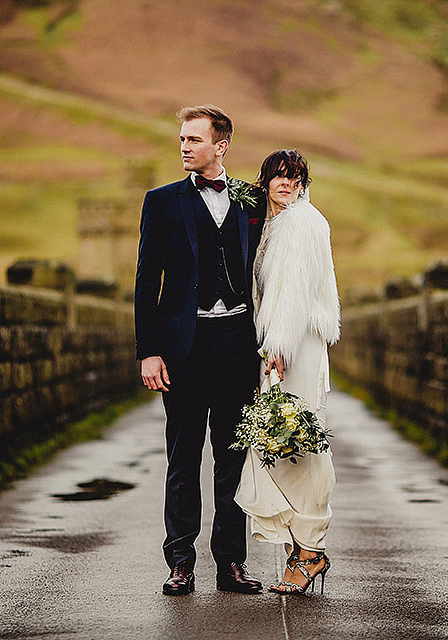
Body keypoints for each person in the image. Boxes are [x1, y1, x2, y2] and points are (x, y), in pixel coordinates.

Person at [134, 105, 265, 596]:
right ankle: (180, 563)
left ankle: (231, 563)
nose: (184, 146)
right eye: (182, 139)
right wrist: (150, 351)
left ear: (221, 145)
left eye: (194, 139)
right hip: (183, 349)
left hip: (237, 346)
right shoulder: (162, 201)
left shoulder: (252, 201)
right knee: (183, 457)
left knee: (233, 459)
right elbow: (147, 283)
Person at [234, 149, 340, 595]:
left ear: (303, 182)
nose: (285, 184)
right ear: (265, 182)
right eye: (277, 176)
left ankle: (310, 552)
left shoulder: (300, 223)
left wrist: (277, 349)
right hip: (280, 344)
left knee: (297, 446)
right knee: (284, 444)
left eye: (293, 177)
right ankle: (303, 550)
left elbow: (293, 293)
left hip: (293, 347)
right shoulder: (275, 223)